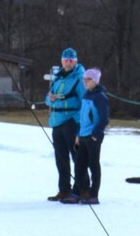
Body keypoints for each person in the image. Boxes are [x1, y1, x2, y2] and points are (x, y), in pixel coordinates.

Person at [62, 68, 109, 205]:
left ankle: (93, 194)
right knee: (79, 165)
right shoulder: (87, 95)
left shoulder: (100, 96)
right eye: (84, 80)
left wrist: (95, 135)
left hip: (93, 137)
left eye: (88, 80)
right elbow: (82, 118)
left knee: (93, 165)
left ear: (95, 81)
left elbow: (104, 119)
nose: (85, 82)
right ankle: (77, 192)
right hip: (83, 136)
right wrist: (78, 134)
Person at [44, 47, 85, 201]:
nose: (68, 63)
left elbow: (84, 102)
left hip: (71, 120)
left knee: (77, 156)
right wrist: (51, 99)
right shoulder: (58, 77)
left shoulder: (80, 78)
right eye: (66, 60)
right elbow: (48, 98)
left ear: (76, 61)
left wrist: (80, 125)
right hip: (57, 121)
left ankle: (82, 189)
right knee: (60, 157)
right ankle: (64, 189)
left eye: (71, 60)